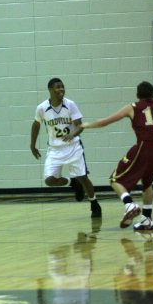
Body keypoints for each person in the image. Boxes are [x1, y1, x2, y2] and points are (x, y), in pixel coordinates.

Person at [66, 82, 153, 230]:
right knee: (147, 181)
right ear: (152, 94)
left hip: (145, 146)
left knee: (115, 179)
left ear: (138, 95)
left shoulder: (133, 107)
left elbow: (105, 122)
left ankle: (129, 204)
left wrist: (85, 125)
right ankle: (146, 218)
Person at [30, 77, 102, 218]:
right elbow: (36, 125)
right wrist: (32, 145)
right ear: (50, 90)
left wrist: (72, 134)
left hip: (73, 146)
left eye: (62, 87)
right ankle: (72, 183)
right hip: (54, 149)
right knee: (49, 180)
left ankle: (94, 203)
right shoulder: (42, 108)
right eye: (58, 87)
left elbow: (80, 125)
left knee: (83, 176)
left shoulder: (70, 105)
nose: (61, 89)